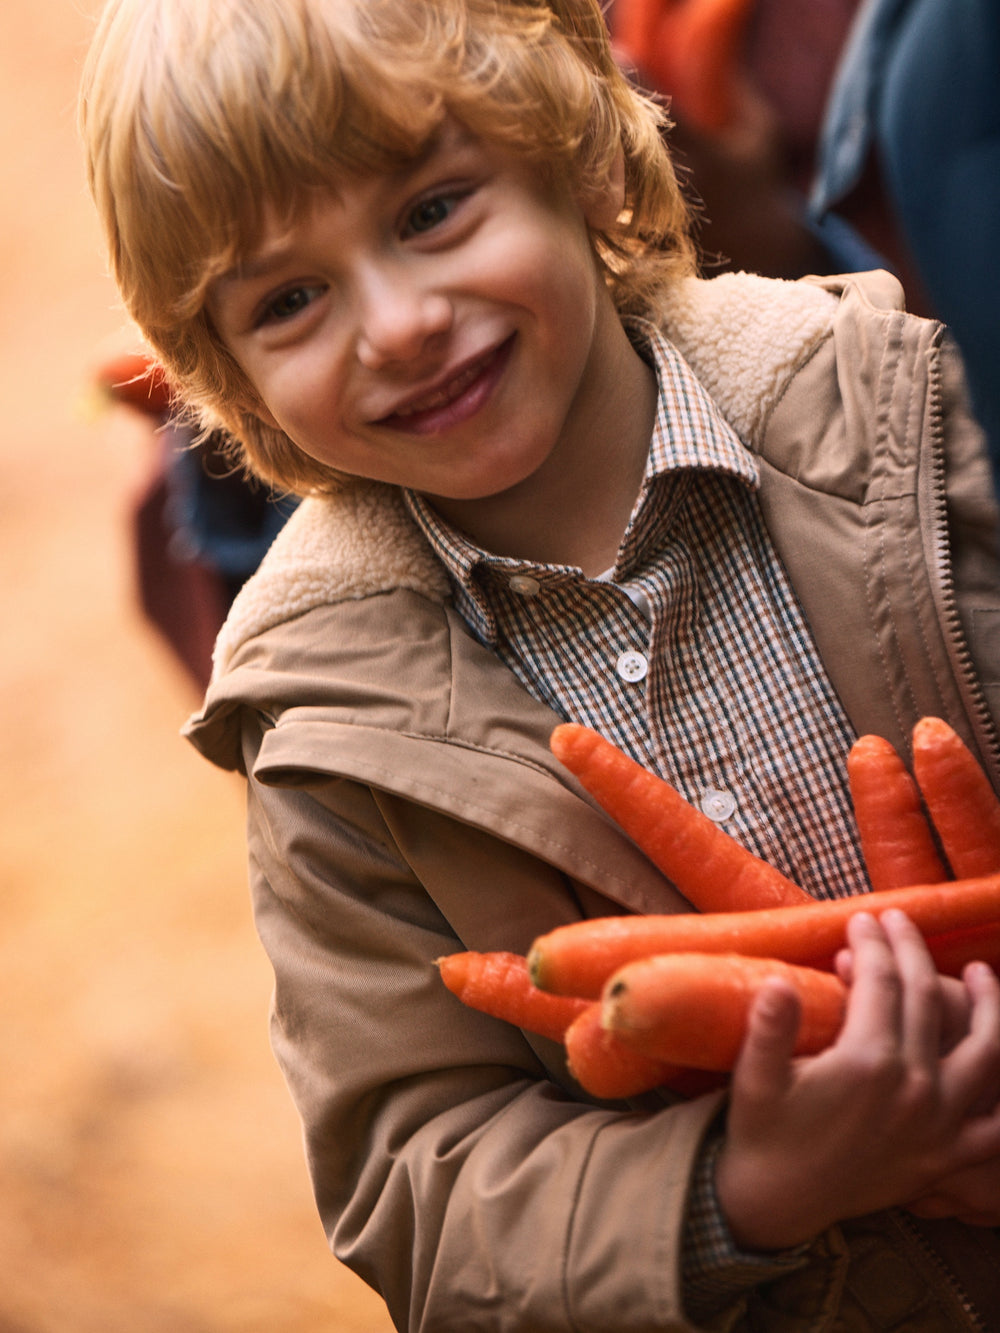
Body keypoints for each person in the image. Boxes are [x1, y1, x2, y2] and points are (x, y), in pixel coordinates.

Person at [79, 0, 1000, 1327]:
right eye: (289, 298)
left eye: (431, 211)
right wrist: (749, 1185)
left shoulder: (898, 405)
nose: (394, 325)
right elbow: (420, 1183)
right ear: (226, 378)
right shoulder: (320, 721)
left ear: (580, 161)